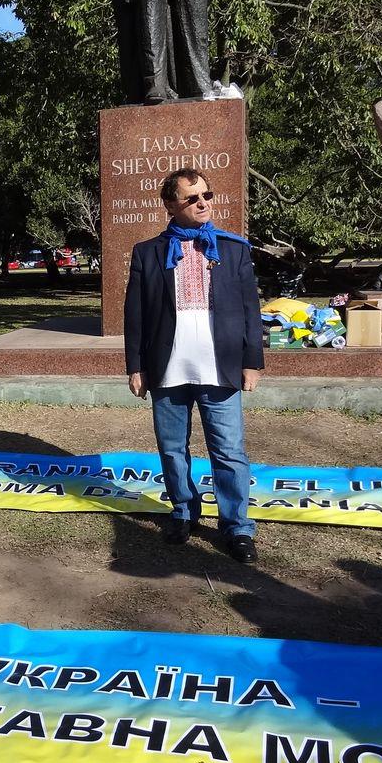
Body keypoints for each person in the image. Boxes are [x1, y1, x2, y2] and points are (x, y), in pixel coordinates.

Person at [123, 167, 263, 564]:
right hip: (168, 367)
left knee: (229, 451)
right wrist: (136, 366)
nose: (203, 203)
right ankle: (183, 511)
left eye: (207, 195)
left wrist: (252, 362)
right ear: (170, 205)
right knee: (172, 450)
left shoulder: (233, 249)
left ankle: (237, 526)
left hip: (220, 367)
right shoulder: (148, 252)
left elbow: (251, 311)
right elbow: (135, 315)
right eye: (192, 198)